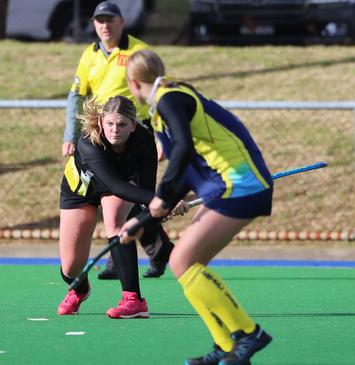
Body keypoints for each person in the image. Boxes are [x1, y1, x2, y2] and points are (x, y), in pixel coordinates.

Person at [121, 49, 274, 365]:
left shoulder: (169, 99)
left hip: (241, 185)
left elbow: (184, 151)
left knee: (185, 260)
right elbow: (187, 161)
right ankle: (226, 346)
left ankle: (248, 333)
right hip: (226, 184)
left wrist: (162, 196)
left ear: (133, 83)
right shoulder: (164, 105)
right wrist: (149, 215)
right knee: (181, 261)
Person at [63, 1, 173, 279]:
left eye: (110, 19)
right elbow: (77, 96)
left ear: (122, 22)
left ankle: (127, 256)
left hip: (134, 134)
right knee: (126, 197)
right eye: (100, 20)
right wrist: (71, 135)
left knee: (126, 198)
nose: (105, 25)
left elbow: (157, 94)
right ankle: (151, 249)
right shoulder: (89, 54)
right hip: (102, 135)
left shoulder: (138, 52)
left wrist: (160, 136)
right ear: (93, 24)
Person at [58, 95, 161, 319]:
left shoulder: (144, 141)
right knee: (70, 268)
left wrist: (160, 206)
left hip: (117, 188)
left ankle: (133, 300)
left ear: (133, 125)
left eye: (122, 124)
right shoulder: (88, 142)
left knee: (115, 223)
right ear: (102, 121)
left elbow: (146, 190)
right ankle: (80, 289)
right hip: (80, 191)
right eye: (110, 123)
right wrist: (159, 201)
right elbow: (115, 183)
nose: (115, 130)